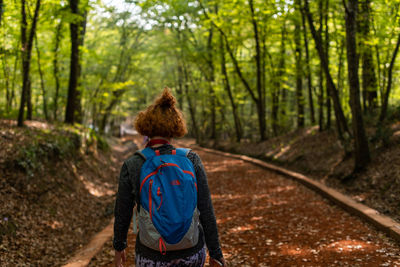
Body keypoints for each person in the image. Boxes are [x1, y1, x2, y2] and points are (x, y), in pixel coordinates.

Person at [113, 88, 226, 267]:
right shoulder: (191, 159)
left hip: (151, 254)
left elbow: (122, 211)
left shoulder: (134, 163)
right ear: (175, 128)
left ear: (146, 129)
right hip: (191, 251)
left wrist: (119, 247)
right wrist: (216, 253)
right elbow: (206, 210)